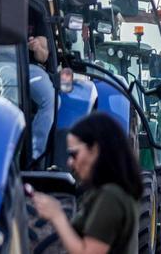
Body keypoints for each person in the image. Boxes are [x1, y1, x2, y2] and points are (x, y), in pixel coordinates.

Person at [31, 112, 142, 254]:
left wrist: (57, 215)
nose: (69, 162)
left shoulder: (110, 197)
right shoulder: (114, 192)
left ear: (95, 150)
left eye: (74, 154)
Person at [26, 29, 56, 162]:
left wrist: (36, 47)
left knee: (52, 99)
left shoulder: (35, 12)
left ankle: (34, 157)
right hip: (0, 62)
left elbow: (43, 56)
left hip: (30, 67)